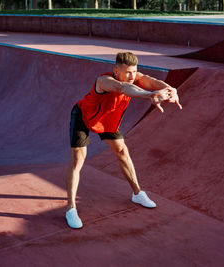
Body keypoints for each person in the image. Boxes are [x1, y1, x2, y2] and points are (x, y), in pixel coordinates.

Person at [66, 51, 182, 229]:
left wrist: (169, 89)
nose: (131, 75)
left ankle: (137, 193)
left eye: (134, 71)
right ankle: (71, 209)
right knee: (78, 160)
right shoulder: (104, 81)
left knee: (122, 152)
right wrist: (150, 95)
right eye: (127, 72)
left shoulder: (135, 78)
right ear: (115, 70)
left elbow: (150, 81)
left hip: (108, 121)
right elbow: (123, 89)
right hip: (83, 117)